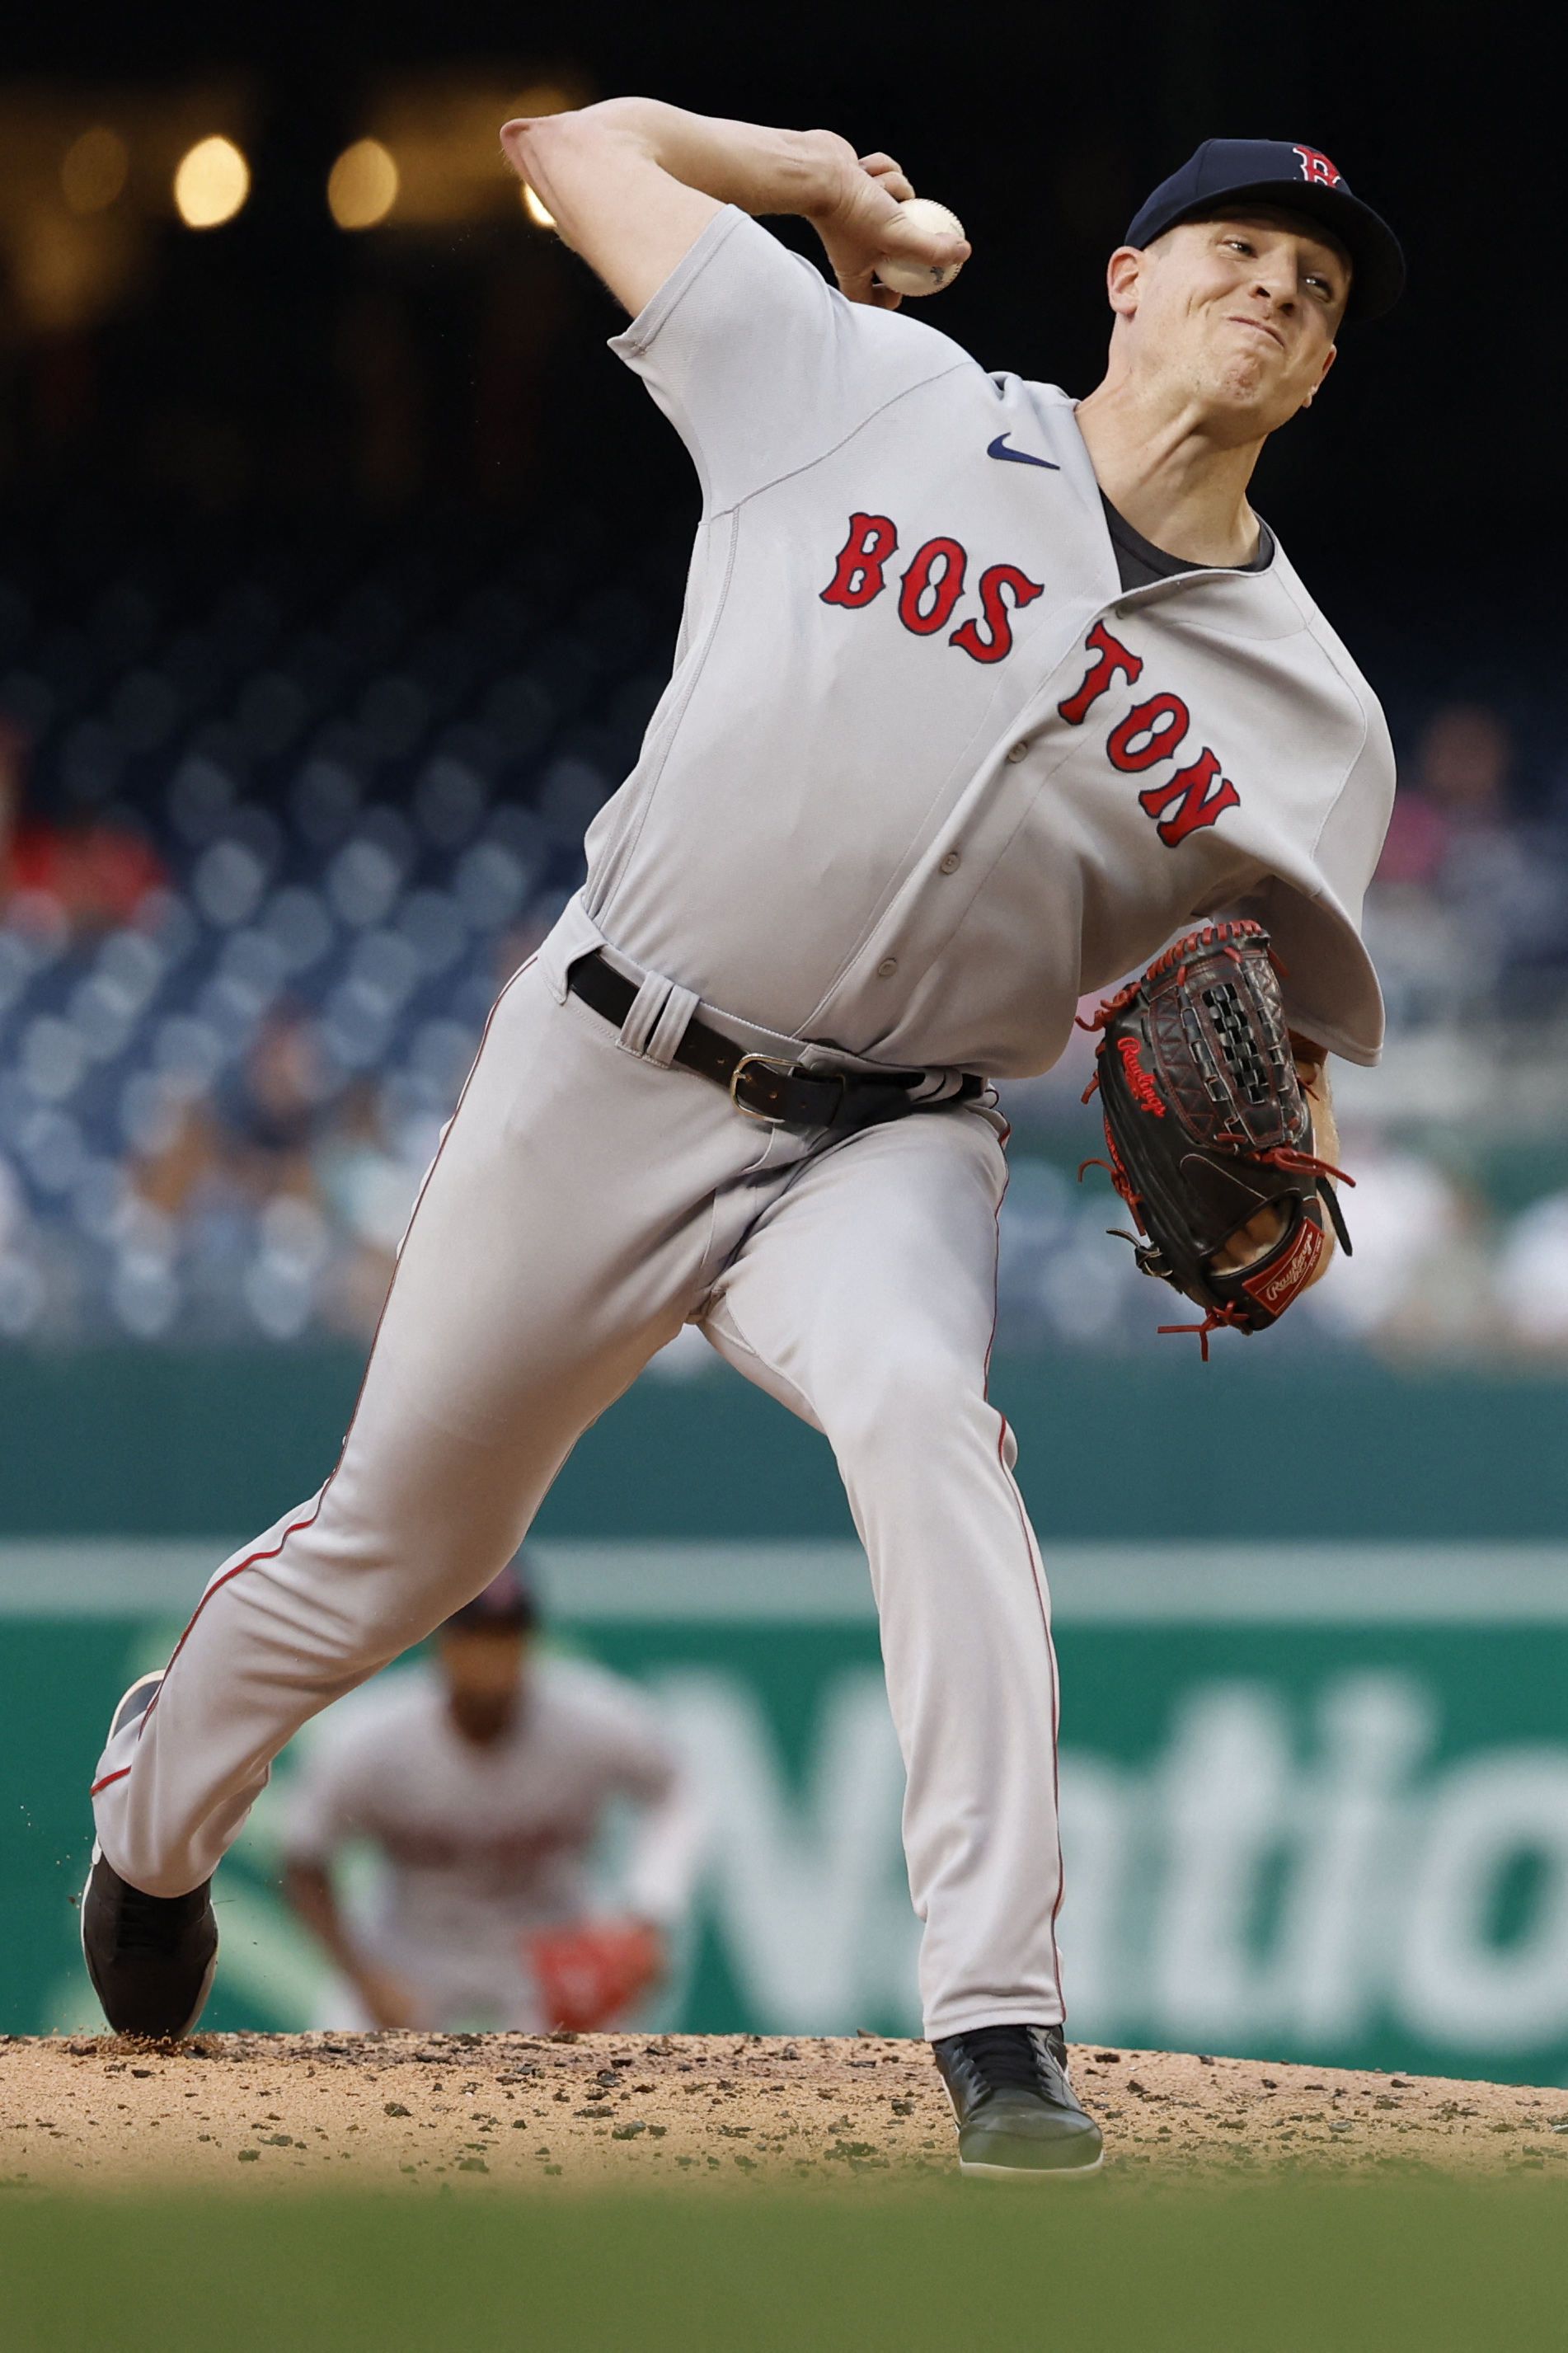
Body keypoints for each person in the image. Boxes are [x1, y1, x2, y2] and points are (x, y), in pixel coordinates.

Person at [83, 119, 1402, 2177]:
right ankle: (157, 1810)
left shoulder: (1310, 714)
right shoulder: (859, 386)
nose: (1275, 293)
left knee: (920, 1421)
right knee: (402, 1545)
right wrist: (820, 186)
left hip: (892, 1136)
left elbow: (1292, 1063)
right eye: (1236, 248)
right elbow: (562, 147)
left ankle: (996, 2023)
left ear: (1320, 372)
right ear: (1125, 282)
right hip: (607, 1061)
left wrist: (1280, 1194)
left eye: (1315, 291)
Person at [281, 1558, 702, 2032]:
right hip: (408, 1951)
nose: (492, 1658)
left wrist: (649, 1914)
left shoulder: (592, 1721)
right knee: (336, 2085)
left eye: (507, 1637)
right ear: (444, 1641)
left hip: (547, 1953)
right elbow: (304, 1856)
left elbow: (675, 1788)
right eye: (477, 1637)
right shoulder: (371, 1736)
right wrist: (362, 1977)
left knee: (602, 2096)